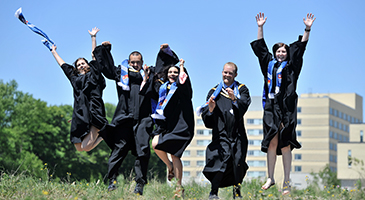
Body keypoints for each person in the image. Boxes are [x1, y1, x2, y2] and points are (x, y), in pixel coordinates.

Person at [93, 42, 179, 194]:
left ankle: (139, 184)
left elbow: (164, 69)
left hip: (143, 119)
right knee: (118, 150)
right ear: (129, 61)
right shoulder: (121, 73)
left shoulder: (149, 74)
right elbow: (106, 67)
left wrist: (164, 51)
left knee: (143, 151)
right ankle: (112, 181)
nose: (135, 64)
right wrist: (106, 49)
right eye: (132, 62)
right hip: (124, 118)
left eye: (137, 62)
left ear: (142, 62)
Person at [251, 13, 316, 195]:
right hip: (271, 107)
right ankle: (270, 177)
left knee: (285, 144)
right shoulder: (269, 65)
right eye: (278, 51)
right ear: (275, 53)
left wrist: (307, 29)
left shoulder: (292, 67)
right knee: (272, 142)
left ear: (287, 54)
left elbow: (301, 48)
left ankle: (286, 181)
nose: (281, 53)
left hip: (287, 108)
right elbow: (261, 49)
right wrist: (260, 27)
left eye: (284, 51)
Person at [49, 27, 107, 152]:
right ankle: (103, 135)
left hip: (94, 112)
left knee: (86, 147)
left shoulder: (94, 75)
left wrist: (93, 37)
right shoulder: (75, 79)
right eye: (78, 64)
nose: (81, 65)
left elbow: (94, 56)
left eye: (83, 63)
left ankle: (104, 134)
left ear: (88, 65)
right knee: (79, 148)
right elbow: (63, 65)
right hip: (80, 115)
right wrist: (53, 51)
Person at [200, 62, 251, 199]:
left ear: (235, 74)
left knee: (238, 162)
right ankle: (214, 192)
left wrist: (234, 99)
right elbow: (207, 119)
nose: (227, 75)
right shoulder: (214, 92)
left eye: (230, 73)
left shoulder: (241, 89)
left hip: (238, 133)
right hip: (221, 134)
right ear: (222, 72)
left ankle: (237, 191)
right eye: (225, 72)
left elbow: (244, 106)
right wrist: (210, 109)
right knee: (220, 161)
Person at [151, 57, 194, 198]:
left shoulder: (183, 88)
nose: (173, 74)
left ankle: (178, 187)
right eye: (170, 72)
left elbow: (183, 80)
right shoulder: (164, 88)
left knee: (175, 155)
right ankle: (170, 167)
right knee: (155, 145)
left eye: (175, 72)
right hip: (167, 125)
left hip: (182, 125)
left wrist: (181, 66)